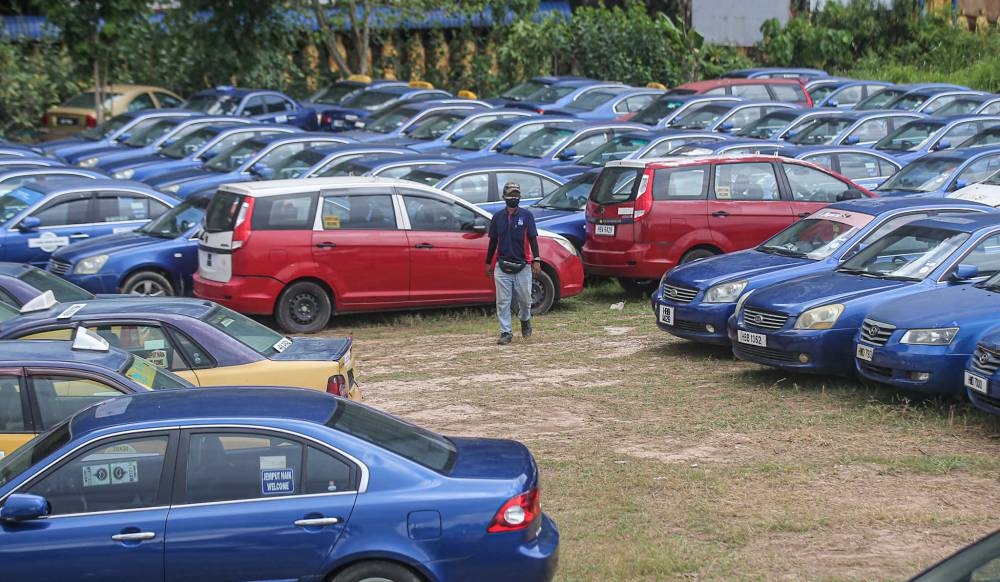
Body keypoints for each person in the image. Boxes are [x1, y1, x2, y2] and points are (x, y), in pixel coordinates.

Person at [485, 182, 541, 345]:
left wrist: (536, 260)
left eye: (516, 195)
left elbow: (532, 239)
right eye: (510, 195)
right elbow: (493, 241)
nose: (513, 198)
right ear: (504, 197)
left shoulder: (527, 216)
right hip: (502, 265)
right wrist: (488, 263)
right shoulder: (497, 218)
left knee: (525, 300)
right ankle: (506, 332)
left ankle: (525, 319)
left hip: (523, 266)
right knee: (502, 301)